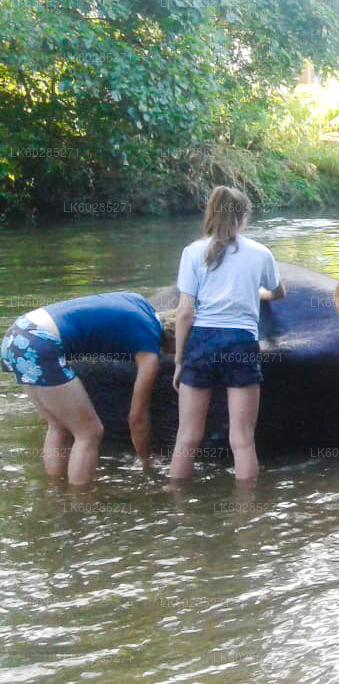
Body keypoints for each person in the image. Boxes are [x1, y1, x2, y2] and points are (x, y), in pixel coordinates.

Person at [170, 186, 285, 482]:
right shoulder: (261, 253)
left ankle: (176, 510)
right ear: (243, 217)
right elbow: (277, 291)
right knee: (243, 439)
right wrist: (256, 293)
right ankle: (246, 516)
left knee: (187, 437)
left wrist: (180, 361)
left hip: (202, 343)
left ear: (211, 213)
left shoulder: (193, 252)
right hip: (240, 343)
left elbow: (185, 311)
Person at [2, 293, 174, 483]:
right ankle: (79, 501)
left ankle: (55, 491)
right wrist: (145, 460)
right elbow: (137, 417)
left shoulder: (139, 302)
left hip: (17, 335)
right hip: (40, 344)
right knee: (89, 433)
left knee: (59, 426)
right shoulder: (149, 348)